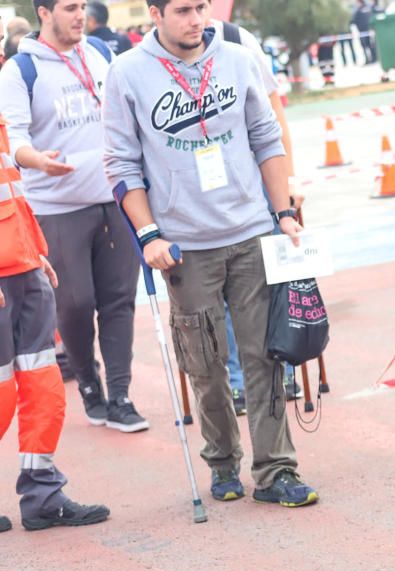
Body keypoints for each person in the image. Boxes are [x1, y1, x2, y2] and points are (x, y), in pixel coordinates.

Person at [103, 0, 318, 507]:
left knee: (264, 355)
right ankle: (222, 461)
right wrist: (149, 234)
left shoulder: (236, 55)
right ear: (154, 13)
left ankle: (276, 470)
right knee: (204, 363)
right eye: (182, 10)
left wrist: (283, 211)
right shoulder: (127, 74)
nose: (196, 19)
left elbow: (267, 138)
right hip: (184, 246)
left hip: (249, 231)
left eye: (201, 6)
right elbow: (120, 163)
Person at [0, 0, 148, 433]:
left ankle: (120, 395)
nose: (80, 15)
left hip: (114, 199)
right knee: (77, 303)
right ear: (44, 12)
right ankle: (89, 384)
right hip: (57, 205)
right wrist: (39, 162)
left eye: (82, 6)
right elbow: (15, 141)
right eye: (69, 7)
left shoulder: (102, 53)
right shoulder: (20, 70)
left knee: (119, 301)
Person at [0, 13, 111, 533]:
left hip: (22, 267)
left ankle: (42, 494)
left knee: (43, 384)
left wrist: (35, 249)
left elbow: (13, 192)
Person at [205, 8, 305, 412]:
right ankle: (237, 379)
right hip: (203, 192)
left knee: (271, 281)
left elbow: (274, 113)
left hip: (256, 180)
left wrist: (289, 178)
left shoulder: (236, 38)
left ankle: (282, 370)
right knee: (222, 291)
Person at [351, 0, 376, 65]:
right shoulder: (368, 9)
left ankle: (370, 59)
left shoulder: (358, 10)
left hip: (363, 31)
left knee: (366, 46)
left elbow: (353, 20)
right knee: (369, 46)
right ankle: (373, 58)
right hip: (367, 30)